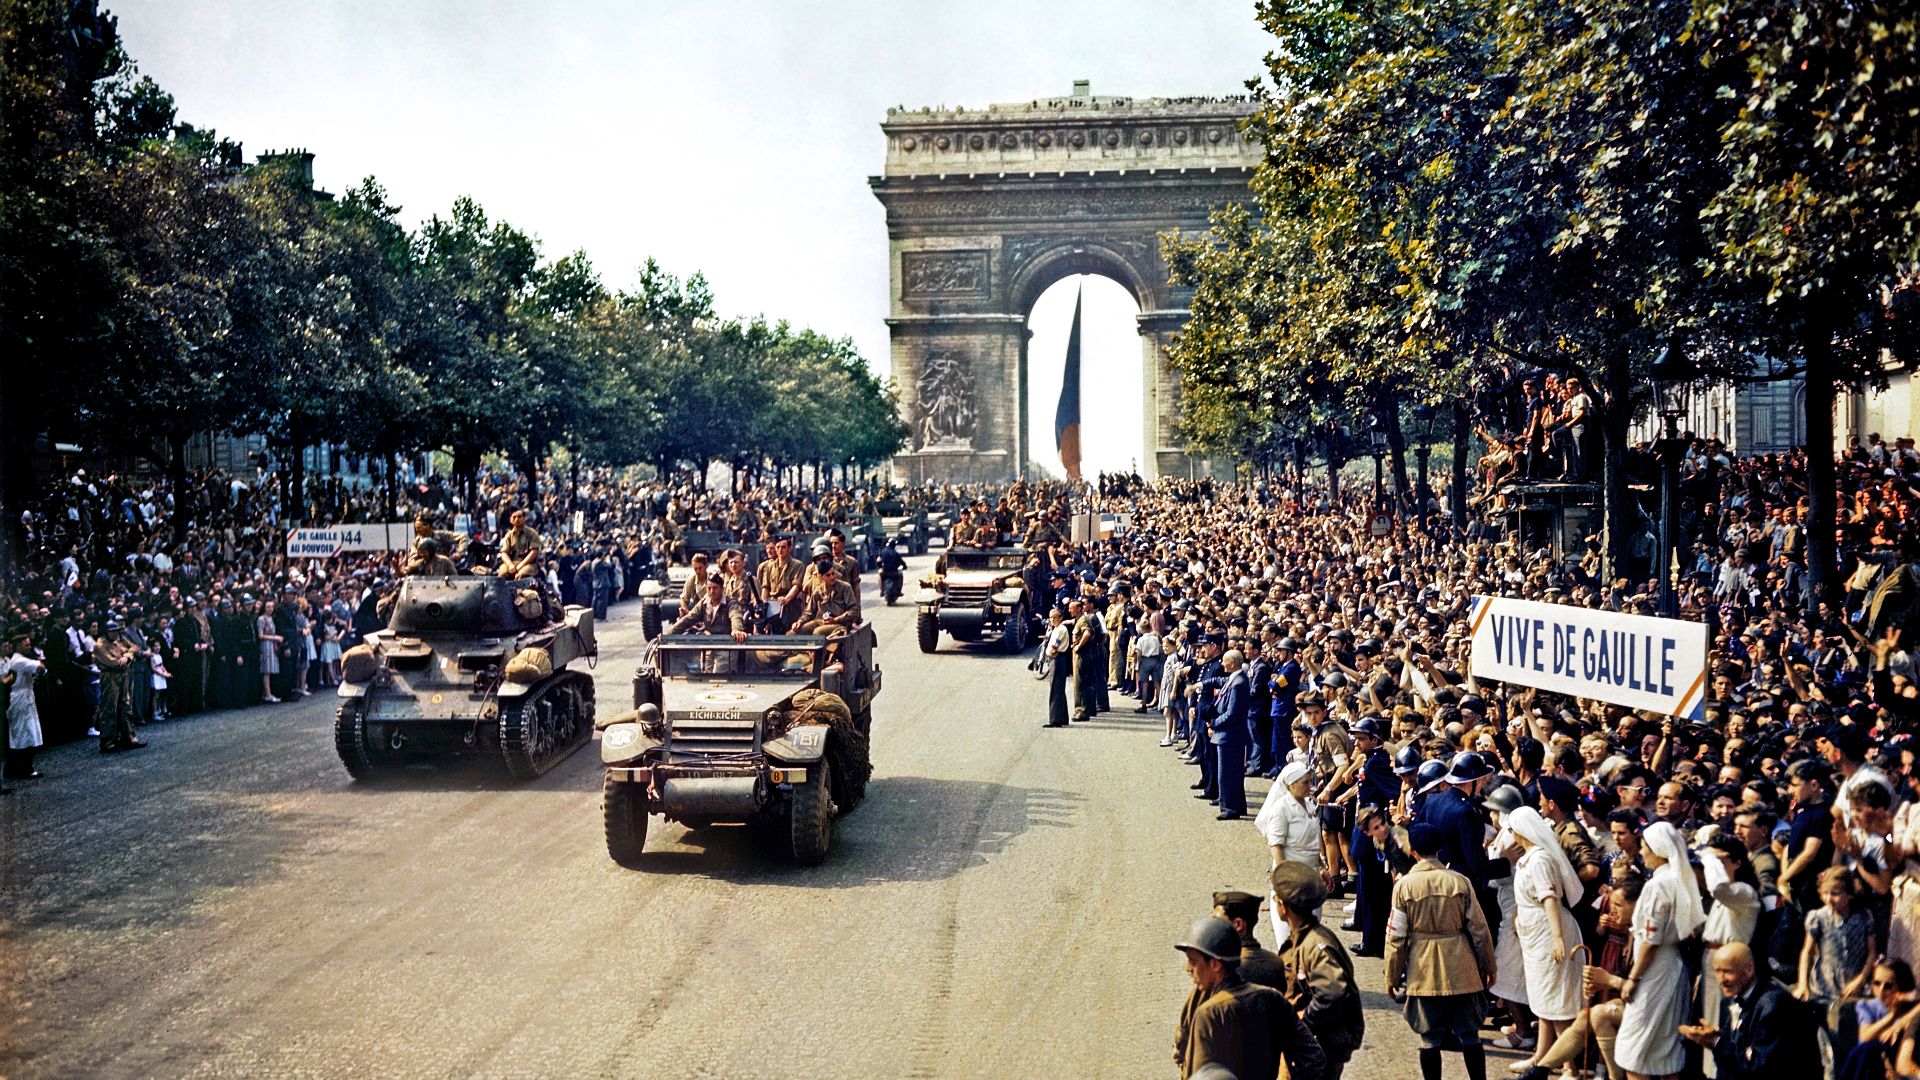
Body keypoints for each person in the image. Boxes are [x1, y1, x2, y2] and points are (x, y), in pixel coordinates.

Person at [1386, 823, 1496, 1080]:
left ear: (1412, 850)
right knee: (1469, 1033)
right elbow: (1480, 930)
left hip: (1423, 968)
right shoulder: (1459, 882)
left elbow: (1395, 937)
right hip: (1462, 965)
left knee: (1429, 1038)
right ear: (1439, 848)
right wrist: (1488, 965)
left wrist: (1391, 976)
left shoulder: (1404, 886)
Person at [1173, 916, 1328, 1080]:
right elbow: (1314, 1058)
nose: (1188, 968)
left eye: (1193, 961)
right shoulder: (1273, 998)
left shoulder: (1209, 1013)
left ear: (1215, 964)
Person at [1615, 821, 1705, 1080]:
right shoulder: (1673, 878)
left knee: (1636, 1051)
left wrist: (1633, 978)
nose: (1641, 852)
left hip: (1654, 972)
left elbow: (1652, 940)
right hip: (1670, 968)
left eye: (1644, 846)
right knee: (1663, 1048)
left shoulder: (1659, 884)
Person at [1271, 862, 1365, 1080]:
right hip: (1318, 1041)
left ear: (1284, 907)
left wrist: (1303, 1025)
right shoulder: (1303, 937)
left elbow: (1332, 992)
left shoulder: (1315, 945)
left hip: (1323, 1043)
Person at [1508, 805, 1587, 1060]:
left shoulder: (1540, 859)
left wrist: (1557, 938)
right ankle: (1543, 1055)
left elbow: (1549, 898)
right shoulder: (1527, 859)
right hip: (1534, 935)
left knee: (1558, 999)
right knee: (1543, 997)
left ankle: (1568, 1065)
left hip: (1548, 932)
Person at [1679, 942, 1821, 1080]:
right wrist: (1717, 1039)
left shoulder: (1772, 1005)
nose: (1721, 980)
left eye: (1727, 971)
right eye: (1717, 971)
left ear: (1749, 969)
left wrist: (1717, 1042)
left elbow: (1759, 1068)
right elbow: (1730, 1065)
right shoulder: (1730, 1002)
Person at [1212, 890, 1288, 990]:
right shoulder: (1276, 962)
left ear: (1238, 924)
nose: (1211, 926)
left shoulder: (1224, 969)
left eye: (1216, 921)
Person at [1257, 761, 1322, 875]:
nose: (1310, 786)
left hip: (1312, 874)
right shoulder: (1281, 809)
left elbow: (1312, 845)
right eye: (1305, 783)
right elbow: (1276, 847)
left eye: (1310, 781)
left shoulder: (1309, 806)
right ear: (1292, 785)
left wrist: (1321, 868)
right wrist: (1286, 876)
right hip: (1292, 875)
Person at [92, 621, 147, 753]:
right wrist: (127, 657)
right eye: (113, 631)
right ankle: (108, 742)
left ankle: (128, 738)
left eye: (116, 631)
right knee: (110, 708)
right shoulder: (100, 645)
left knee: (125, 706)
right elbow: (113, 663)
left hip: (123, 676)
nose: (116, 633)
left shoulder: (118, 641)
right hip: (110, 677)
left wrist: (127, 656)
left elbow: (134, 648)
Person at [5, 631, 46, 779]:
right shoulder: (19, 661)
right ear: (18, 646)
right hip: (20, 697)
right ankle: (25, 768)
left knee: (20, 733)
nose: (29, 647)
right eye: (26, 645)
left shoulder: (18, 660)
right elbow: (40, 666)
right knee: (25, 732)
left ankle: (13, 768)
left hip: (24, 695)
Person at [496, 507, 543, 579]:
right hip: (512, 563)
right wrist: (509, 564)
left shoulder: (532, 533)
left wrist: (521, 565)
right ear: (510, 520)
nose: (517, 519)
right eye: (514, 517)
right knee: (501, 575)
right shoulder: (508, 535)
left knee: (520, 576)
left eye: (519, 517)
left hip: (529, 564)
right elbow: (504, 553)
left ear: (524, 518)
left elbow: (534, 552)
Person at [1044, 606, 1071, 728]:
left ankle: (1055, 719)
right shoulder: (1055, 629)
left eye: (1055, 617)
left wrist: (1049, 653)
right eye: (1051, 617)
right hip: (1056, 659)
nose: (1053, 619)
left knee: (1055, 689)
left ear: (1060, 618)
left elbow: (1055, 646)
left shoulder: (1061, 630)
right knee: (1058, 688)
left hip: (1057, 658)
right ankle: (1062, 717)